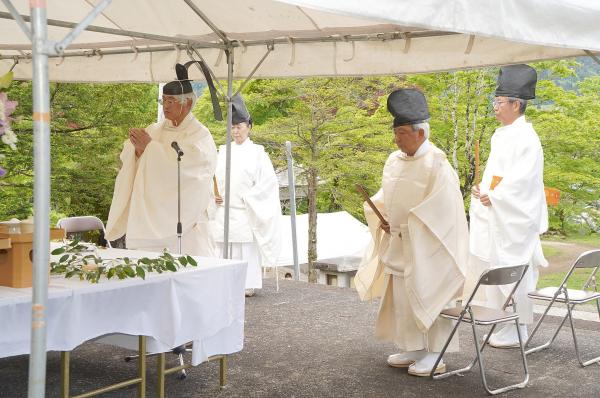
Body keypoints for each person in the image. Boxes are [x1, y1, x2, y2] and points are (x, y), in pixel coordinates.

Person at [354, 88, 468, 377]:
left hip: (429, 245)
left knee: (430, 290)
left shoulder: (438, 163)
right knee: (404, 297)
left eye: (403, 133)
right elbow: (388, 195)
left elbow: (444, 210)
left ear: (421, 133)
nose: (397, 139)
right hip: (400, 243)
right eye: (397, 133)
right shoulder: (394, 160)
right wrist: (384, 216)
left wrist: (408, 227)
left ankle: (435, 353)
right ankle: (413, 347)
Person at [467, 64, 548, 348]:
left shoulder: (527, 138)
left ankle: (519, 327)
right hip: (497, 214)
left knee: (514, 269)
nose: (495, 107)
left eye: (499, 102)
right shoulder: (502, 134)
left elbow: (525, 182)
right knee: (495, 266)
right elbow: (498, 176)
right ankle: (503, 322)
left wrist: (497, 196)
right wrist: (485, 189)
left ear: (516, 104)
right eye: (495, 101)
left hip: (514, 218)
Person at [105, 62, 217, 256]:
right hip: (149, 216)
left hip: (186, 226)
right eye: (163, 100)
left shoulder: (199, 135)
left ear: (188, 103)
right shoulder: (155, 129)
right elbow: (129, 155)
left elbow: (194, 168)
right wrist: (137, 151)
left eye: (171, 101)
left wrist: (150, 149)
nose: (165, 106)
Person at [213, 94, 282, 296]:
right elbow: (213, 177)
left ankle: (246, 283)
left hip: (244, 208)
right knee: (222, 245)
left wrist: (249, 197)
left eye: (239, 127)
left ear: (248, 127)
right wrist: (213, 194)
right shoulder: (223, 150)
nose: (235, 131)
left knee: (244, 248)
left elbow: (268, 183)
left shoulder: (258, 153)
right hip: (223, 208)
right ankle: (222, 281)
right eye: (232, 127)